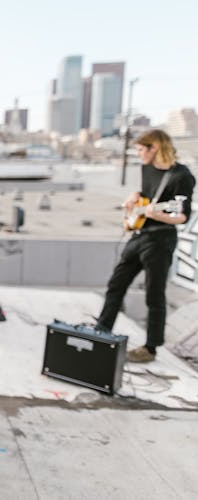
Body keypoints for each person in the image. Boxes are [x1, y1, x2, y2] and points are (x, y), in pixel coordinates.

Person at [96, 129, 195, 363]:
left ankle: (150, 348)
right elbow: (147, 194)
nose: (139, 154)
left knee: (154, 293)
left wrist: (158, 215)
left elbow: (182, 216)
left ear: (155, 148)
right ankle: (102, 329)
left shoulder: (182, 176)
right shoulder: (146, 168)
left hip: (161, 239)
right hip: (138, 235)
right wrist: (135, 197)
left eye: (141, 149)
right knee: (116, 284)